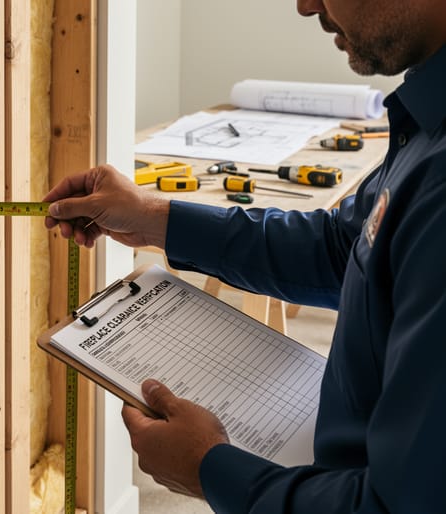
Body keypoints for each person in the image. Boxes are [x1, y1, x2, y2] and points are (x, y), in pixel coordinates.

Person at [44, 0, 446, 511]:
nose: (305, 6)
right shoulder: (427, 124)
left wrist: (210, 468)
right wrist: (155, 217)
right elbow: (342, 248)